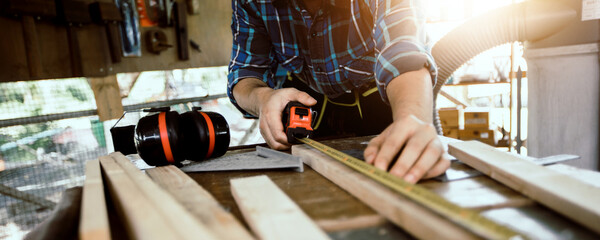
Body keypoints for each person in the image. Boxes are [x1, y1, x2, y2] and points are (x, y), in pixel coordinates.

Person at [227, 0, 449, 183]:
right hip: (312, 106)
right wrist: (263, 98)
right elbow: (244, 75)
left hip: (385, 102)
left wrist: (412, 117)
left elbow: (403, 52)